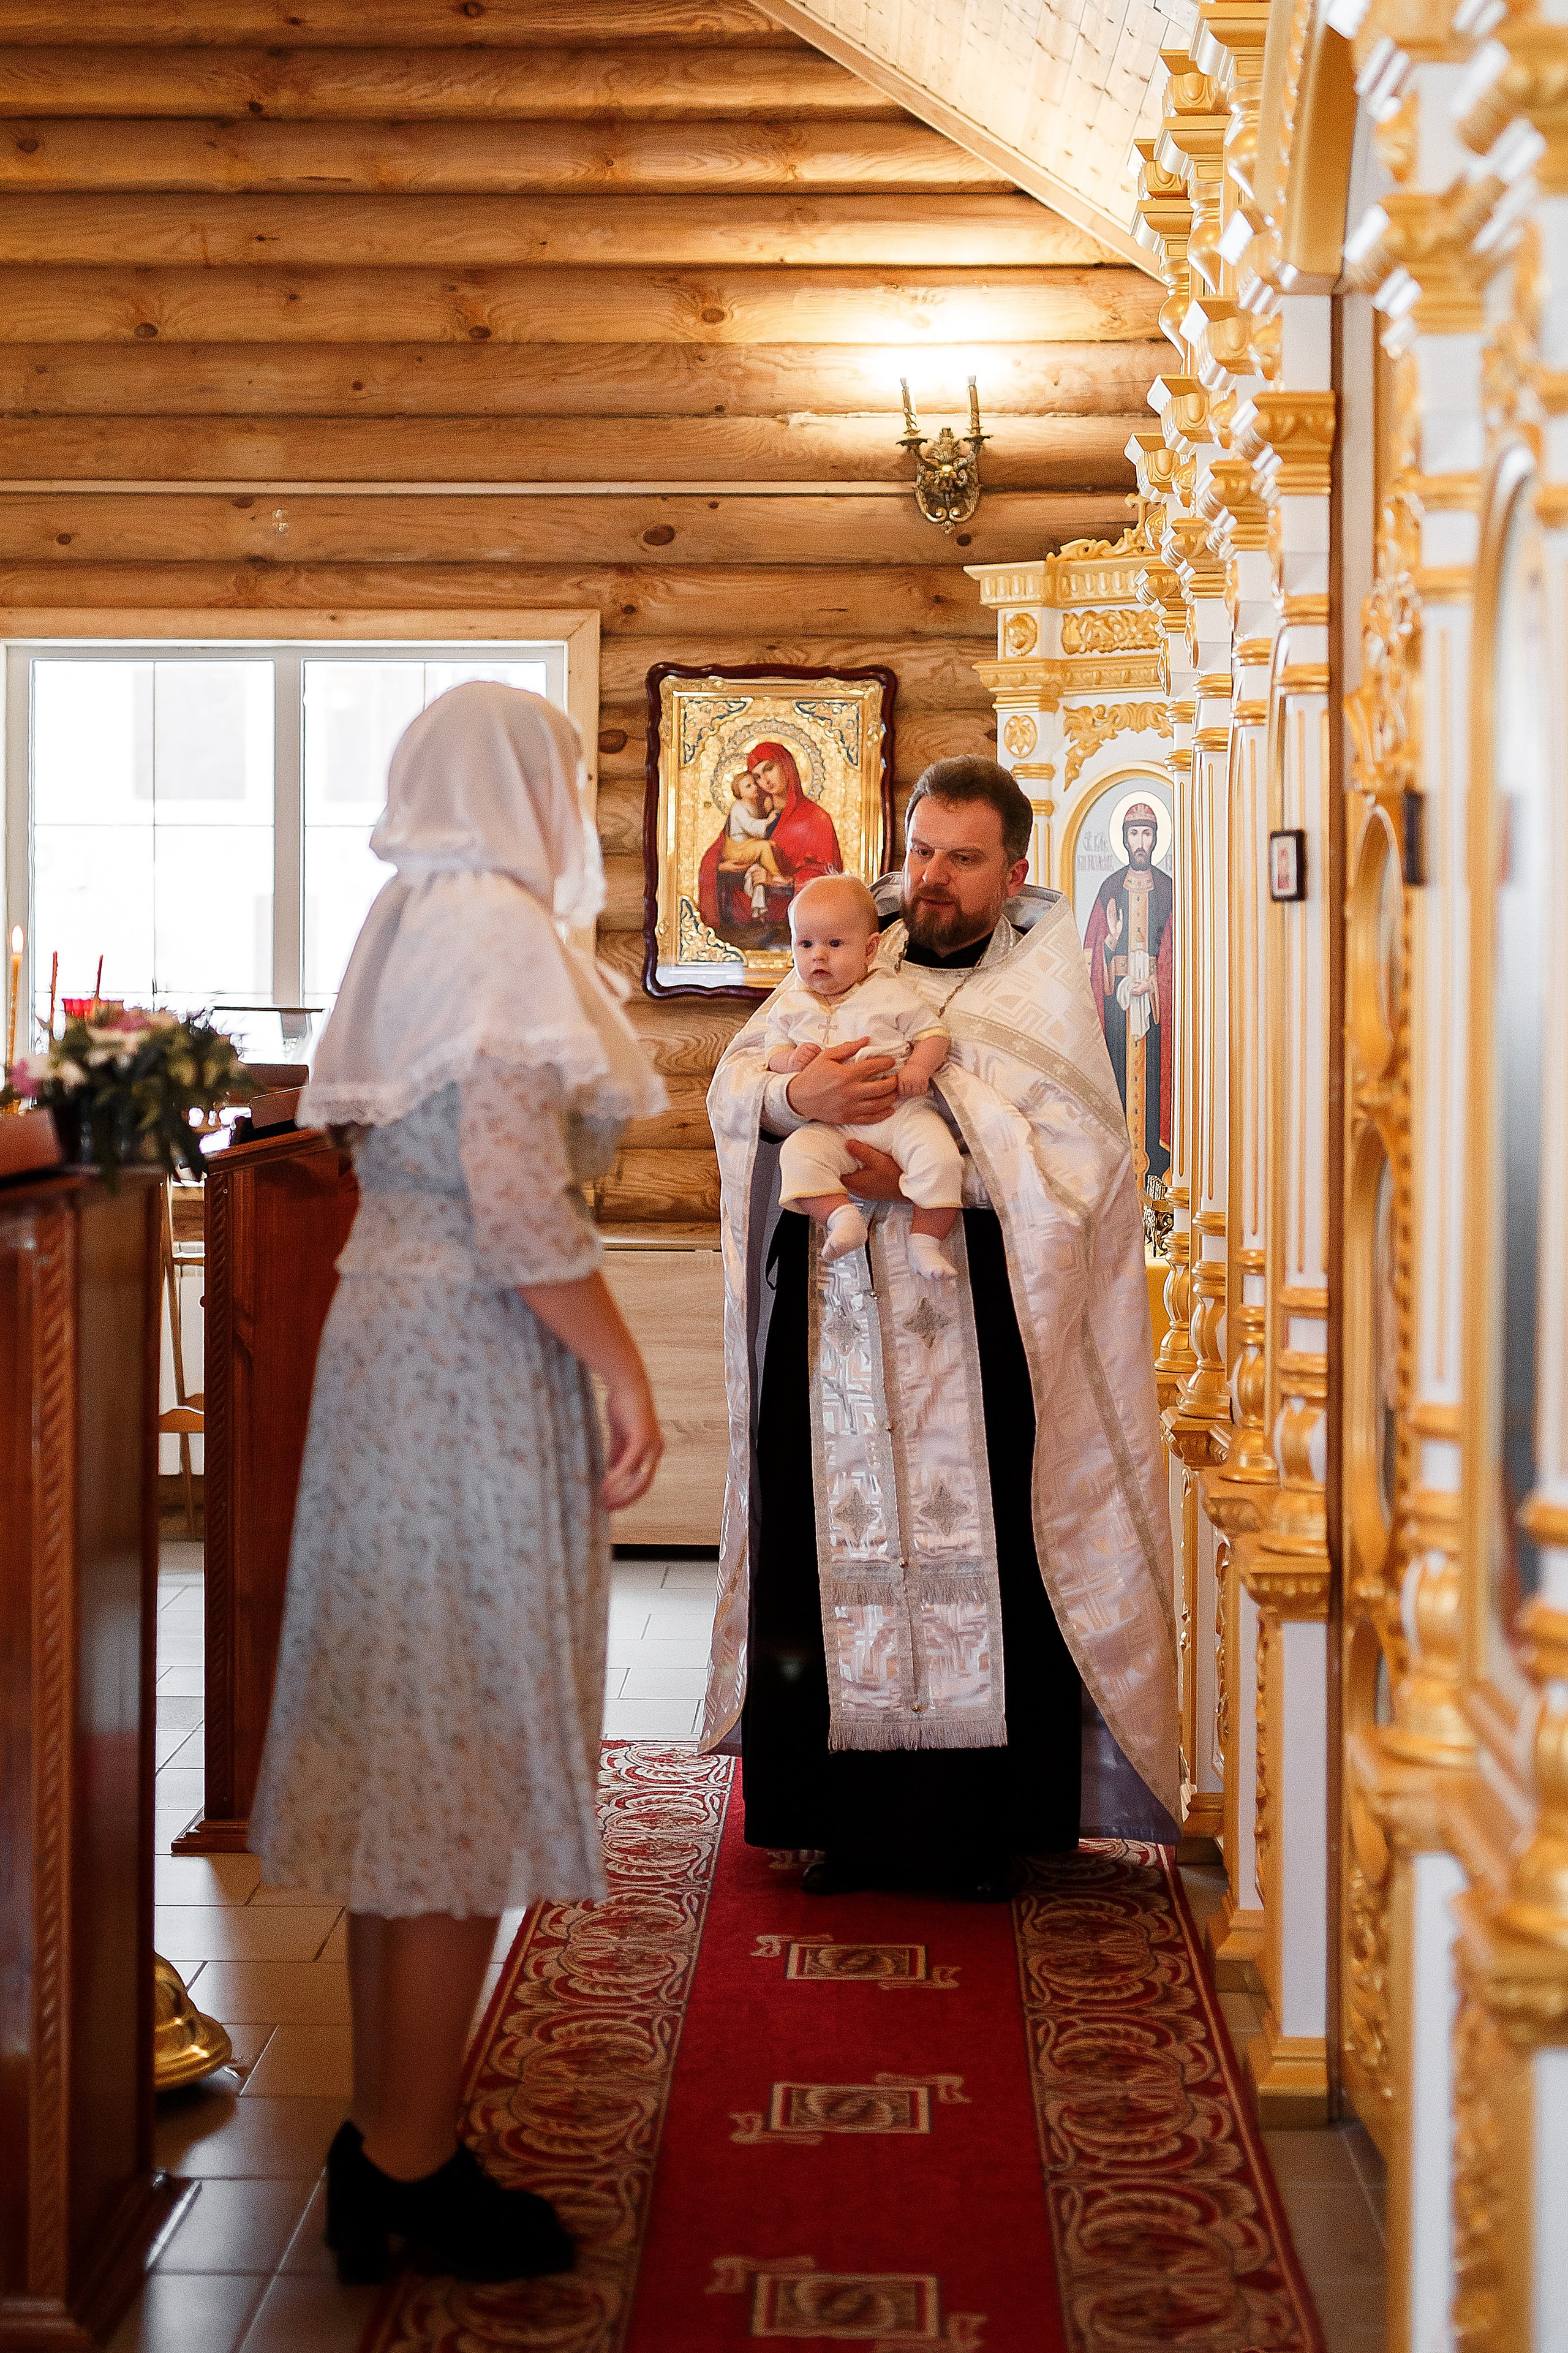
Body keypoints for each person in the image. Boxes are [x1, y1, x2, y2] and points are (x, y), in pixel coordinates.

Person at [249, 684, 666, 2284]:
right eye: (565, 774)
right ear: (522, 787)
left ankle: (391, 2139)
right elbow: (514, 1197)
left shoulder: (411, 913)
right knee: (457, 1748)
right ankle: (413, 2166)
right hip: (469, 1366)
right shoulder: (491, 927)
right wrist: (622, 1360)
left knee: (411, 1767)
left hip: (399, 1351)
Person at [702, 756, 1178, 1899]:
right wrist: (793, 1103)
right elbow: (735, 1084)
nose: (931, 879)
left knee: (993, 1555)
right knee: (826, 1542)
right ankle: (833, 1818)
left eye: (963, 859)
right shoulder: (846, 956)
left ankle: (980, 1827)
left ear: (1013, 871)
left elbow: (1084, 1162)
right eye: (920, 851)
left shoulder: (1042, 985)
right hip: (835, 1325)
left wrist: (937, 1170)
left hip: (980, 1320)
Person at [764, 873, 962, 1277]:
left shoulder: (891, 993)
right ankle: (841, 1218)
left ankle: (926, 1241)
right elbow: (773, 1055)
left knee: (941, 1157)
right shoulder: (789, 1005)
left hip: (901, 1112)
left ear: (871, 949)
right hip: (835, 1126)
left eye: (834, 944)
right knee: (798, 1154)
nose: (818, 956)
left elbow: (934, 1034)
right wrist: (792, 1063)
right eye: (805, 944)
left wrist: (918, 1068)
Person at [1082, 799, 1174, 1180]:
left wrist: (1155, 984)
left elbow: (1176, 950)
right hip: (1117, 1005)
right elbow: (1091, 949)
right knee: (1117, 1078)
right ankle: (1118, 1169)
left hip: (1154, 1007)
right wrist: (1110, 944)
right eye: (1134, 833)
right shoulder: (1110, 887)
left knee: (1154, 1080)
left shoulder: (1169, 890)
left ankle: (1157, 1168)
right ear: (1125, 838)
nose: (1141, 841)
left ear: (1155, 840)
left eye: (1147, 834)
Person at [696, 739, 843, 941]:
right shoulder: (753, 814)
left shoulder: (816, 818)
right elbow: (714, 858)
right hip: (743, 924)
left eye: (769, 768)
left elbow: (830, 879)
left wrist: (780, 881)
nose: (765, 780)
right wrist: (724, 868)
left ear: (786, 765)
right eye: (757, 776)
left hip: (795, 928)